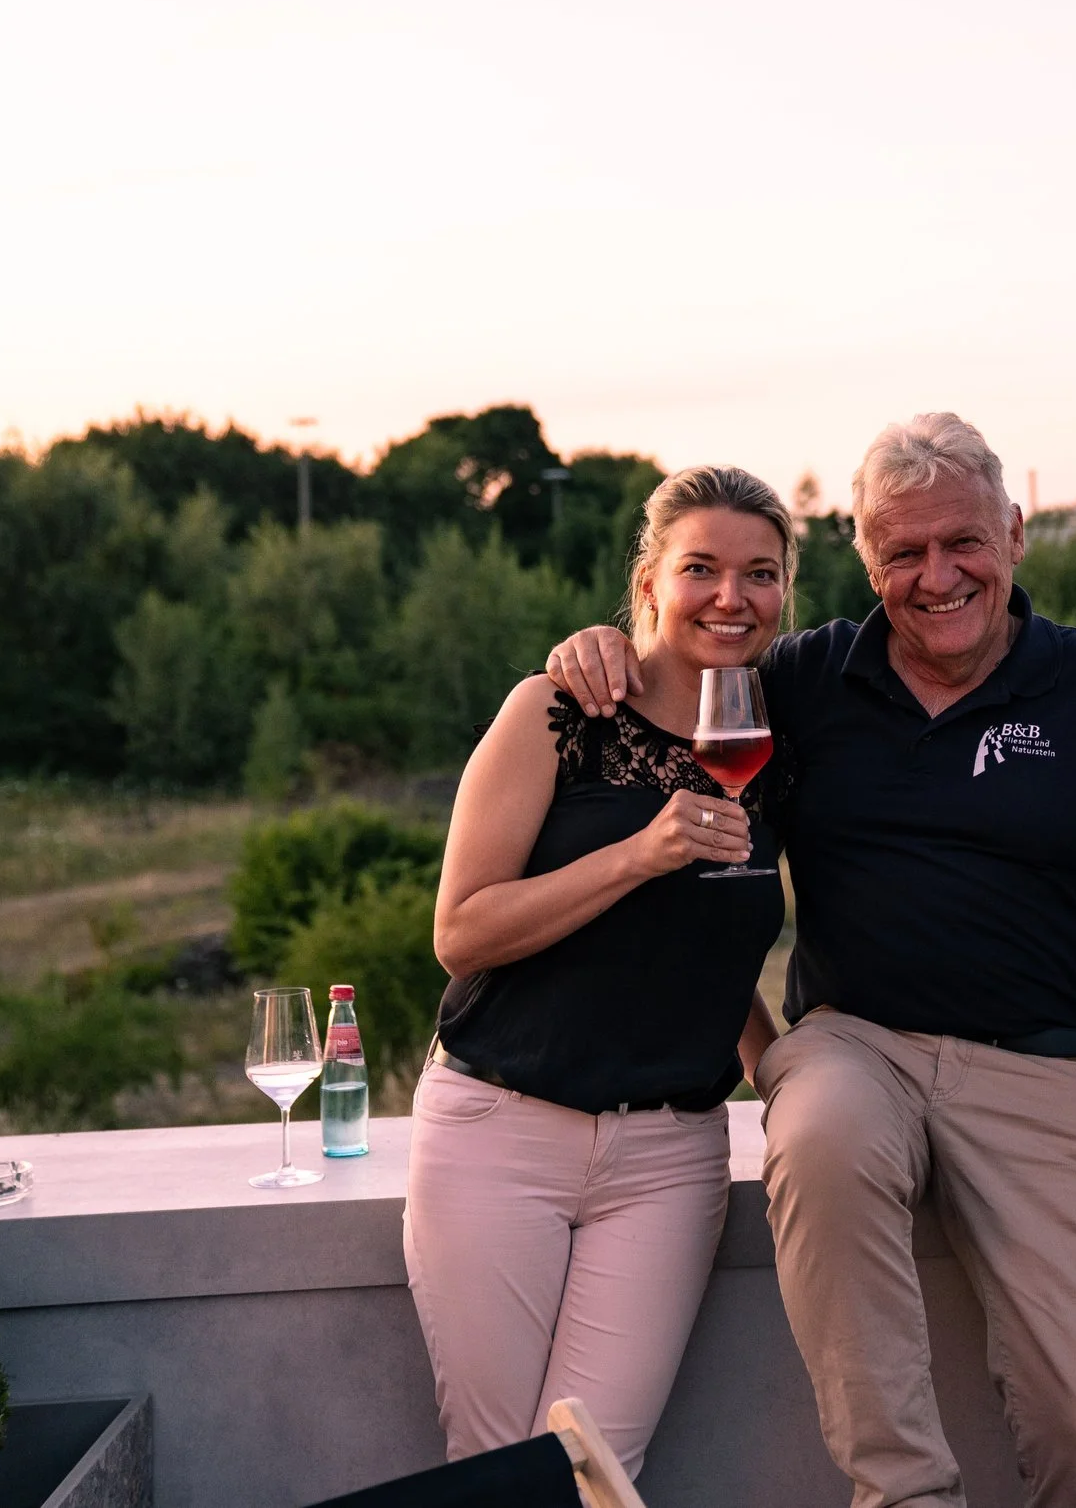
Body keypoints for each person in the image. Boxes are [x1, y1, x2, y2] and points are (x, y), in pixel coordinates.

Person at [545, 413, 1076, 1508]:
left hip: (1044, 1069)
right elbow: (676, 706)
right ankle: (904, 1496)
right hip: (853, 1043)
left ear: (1013, 532)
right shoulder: (801, 680)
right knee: (815, 1135)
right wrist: (595, 647)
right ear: (865, 556)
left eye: (962, 541)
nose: (937, 575)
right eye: (902, 551)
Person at [407, 466, 790, 1478]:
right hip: (499, 1128)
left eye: (761, 572)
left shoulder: (771, 743)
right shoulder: (556, 709)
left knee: (595, 1468)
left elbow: (711, 942)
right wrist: (638, 853)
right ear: (651, 579)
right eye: (699, 566)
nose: (729, 595)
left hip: (667, 1159)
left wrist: (785, 1073)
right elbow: (461, 931)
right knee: (491, 1463)